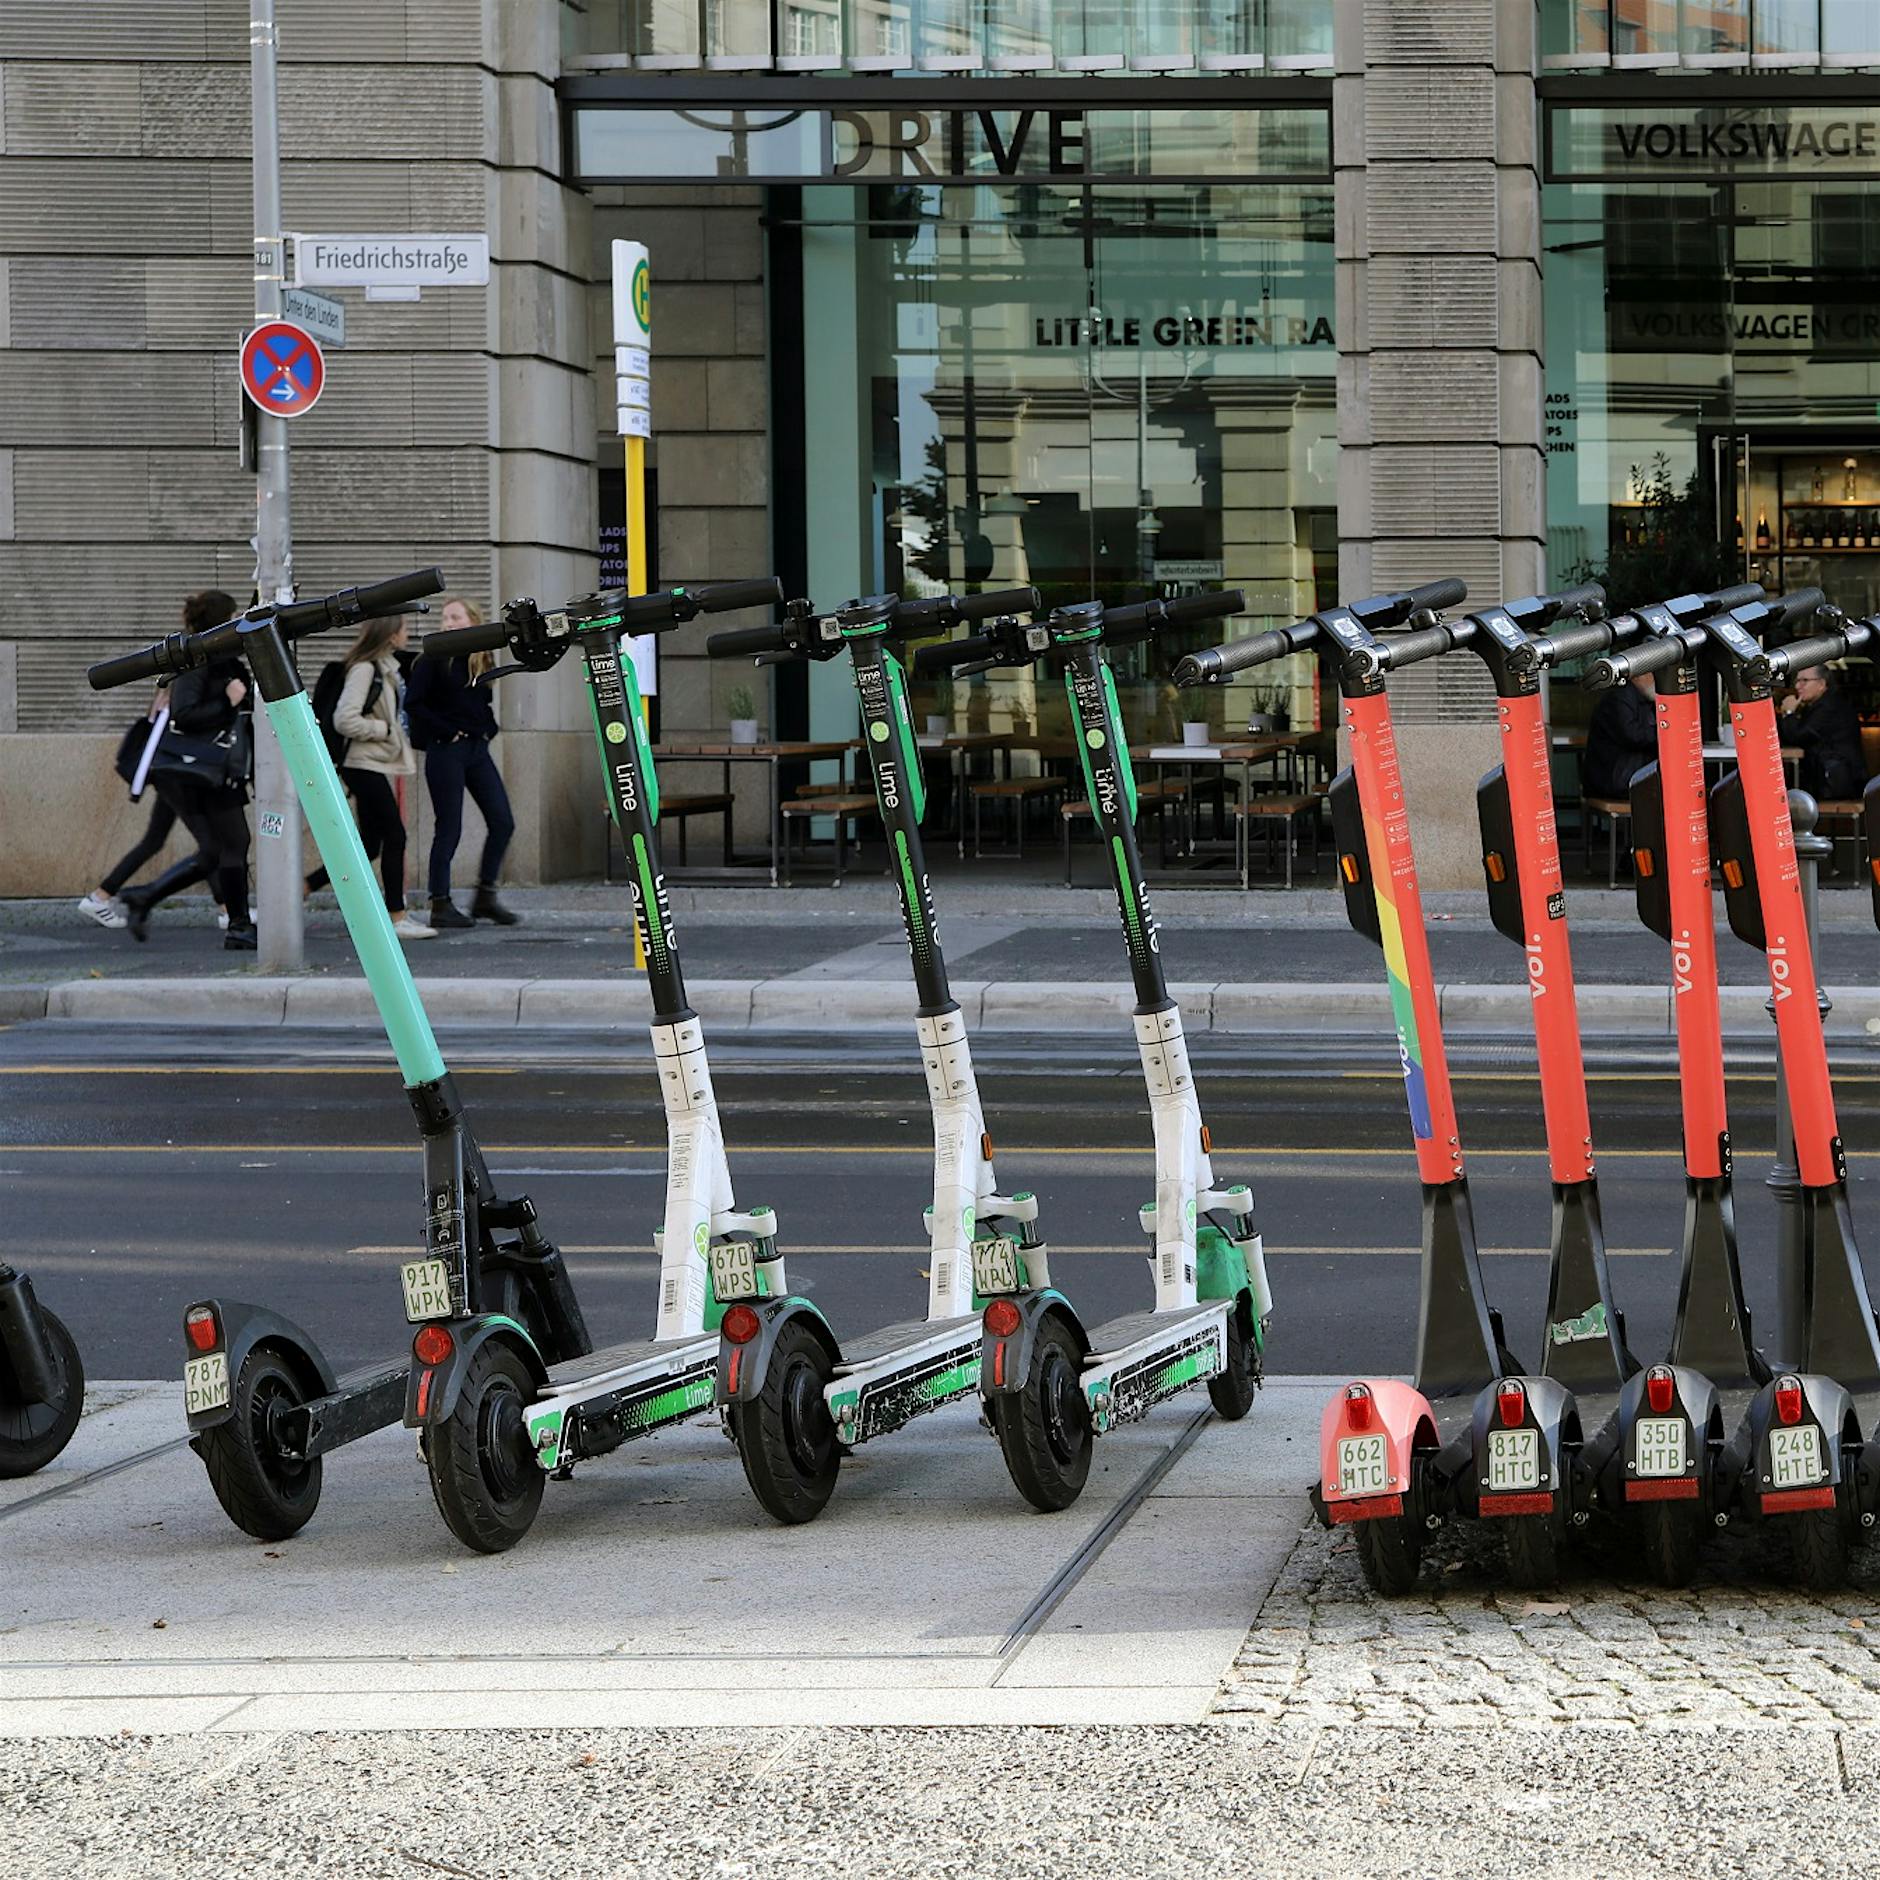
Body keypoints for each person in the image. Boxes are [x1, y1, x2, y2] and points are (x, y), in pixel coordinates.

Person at [120, 592, 257, 950]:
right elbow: (185, 714)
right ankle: (239, 926)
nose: (237, 618)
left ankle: (145, 898)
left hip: (220, 767)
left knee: (215, 850)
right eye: (231, 614)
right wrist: (226, 701)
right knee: (233, 844)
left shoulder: (221, 658)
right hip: (204, 769)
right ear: (219, 618)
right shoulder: (195, 660)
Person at [305, 615, 434, 940]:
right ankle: (396, 916)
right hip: (361, 763)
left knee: (370, 845)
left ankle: (304, 886)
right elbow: (344, 719)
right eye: (404, 629)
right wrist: (384, 729)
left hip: (372, 762)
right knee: (396, 836)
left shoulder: (386, 667)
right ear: (391, 636)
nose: (408, 634)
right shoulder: (365, 669)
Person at [405, 598, 520, 930]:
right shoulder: (432, 658)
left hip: (476, 750)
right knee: (449, 827)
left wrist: (488, 729)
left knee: (502, 820)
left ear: (473, 621)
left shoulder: (481, 658)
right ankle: (439, 902)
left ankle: (485, 895)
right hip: (446, 750)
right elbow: (413, 704)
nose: (448, 623)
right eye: (445, 618)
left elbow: (480, 704)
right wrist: (447, 731)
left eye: (455, 617)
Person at [1781, 665, 1866, 801]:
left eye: (1804, 681)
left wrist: (1789, 713)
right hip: (1830, 779)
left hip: (1835, 783)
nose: (1798, 686)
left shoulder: (1828, 707)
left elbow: (1798, 736)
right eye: (1797, 681)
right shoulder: (1821, 704)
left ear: (1821, 684)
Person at [1582, 668, 1657, 799]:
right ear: (1637, 676)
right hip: (1616, 779)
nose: (1655, 680)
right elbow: (1633, 736)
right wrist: (1665, 732)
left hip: (1623, 774)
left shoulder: (1639, 698)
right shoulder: (1620, 698)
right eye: (1652, 674)